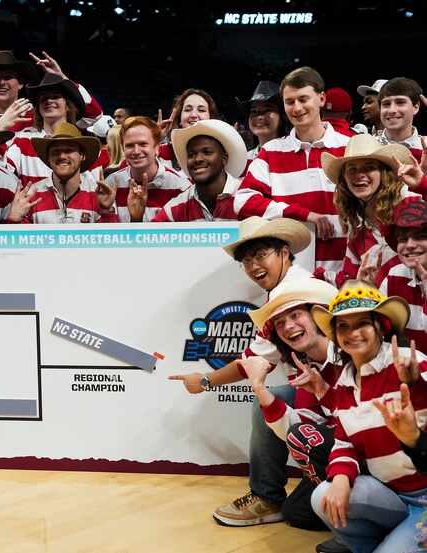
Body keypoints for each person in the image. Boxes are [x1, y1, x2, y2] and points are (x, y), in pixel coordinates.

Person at [170, 217, 314, 527]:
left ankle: (269, 496)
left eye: (261, 254)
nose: (253, 265)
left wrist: (205, 380)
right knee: (272, 402)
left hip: (338, 404)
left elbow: (252, 360)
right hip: (324, 395)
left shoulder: (291, 293)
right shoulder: (289, 285)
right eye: (246, 260)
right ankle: (276, 496)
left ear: (285, 252)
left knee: (306, 511)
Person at [310, 280, 427, 553]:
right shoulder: (344, 382)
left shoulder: (410, 362)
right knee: (322, 497)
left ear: (380, 326)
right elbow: (344, 443)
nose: (352, 333)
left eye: (362, 323)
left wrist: (416, 384)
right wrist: (340, 478)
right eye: (343, 326)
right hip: (392, 496)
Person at [239, 278, 348, 553]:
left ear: (318, 315)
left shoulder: (352, 349)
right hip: (343, 454)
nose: (288, 326)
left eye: (296, 314)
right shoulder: (306, 367)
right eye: (279, 323)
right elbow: (298, 433)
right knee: (297, 512)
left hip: (379, 456)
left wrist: (324, 392)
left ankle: (359, 531)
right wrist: (259, 387)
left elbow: (363, 423)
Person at [234, 66, 351, 282]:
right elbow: (243, 202)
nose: (296, 108)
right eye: (290, 102)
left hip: (347, 276)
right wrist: (303, 215)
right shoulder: (271, 151)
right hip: (292, 279)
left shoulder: (350, 147)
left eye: (303, 99)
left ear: (322, 99)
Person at [321, 133, 419, 287]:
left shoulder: (410, 203)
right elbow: (351, 279)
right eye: (352, 169)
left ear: (384, 174)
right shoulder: (357, 230)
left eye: (369, 167)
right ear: (344, 180)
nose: (360, 175)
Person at [5, 74, 107, 187]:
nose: (48, 100)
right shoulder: (22, 142)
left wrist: (64, 78)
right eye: (43, 98)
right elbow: (3, 176)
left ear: (68, 105)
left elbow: (94, 190)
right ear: (38, 107)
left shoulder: (83, 144)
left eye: (55, 96)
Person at [6, 122, 114, 224]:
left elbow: (114, 240)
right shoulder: (31, 195)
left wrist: (106, 212)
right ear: (48, 158)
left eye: (68, 150)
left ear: (82, 156)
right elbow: (19, 241)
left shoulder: (98, 194)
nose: (62, 156)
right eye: (56, 151)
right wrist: (14, 221)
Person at [152, 119, 247, 222]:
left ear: (224, 158)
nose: (198, 159)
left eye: (207, 152)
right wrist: (136, 219)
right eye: (191, 155)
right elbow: (151, 236)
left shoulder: (247, 196)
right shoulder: (177, 206)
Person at [378, 200, 427, 353]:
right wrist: (365, 287)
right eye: (403, 239)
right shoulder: (394, 275)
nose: (410, 245)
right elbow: (375, 332)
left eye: (419, 236)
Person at [158, 88, 220, 169]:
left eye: (201, 110)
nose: (194, 115)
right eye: (188, 110)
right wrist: (156, 139)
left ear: (211, 118)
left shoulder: (222, 152)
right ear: (180, 119)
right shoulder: (164, 152)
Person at [377, 77, 425, 161]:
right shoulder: (366, 146)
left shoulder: (425, 147)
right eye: (386, 104)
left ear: (416, 107)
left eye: (400, 102)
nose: (392, 110)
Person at [237, 81, 285, 161]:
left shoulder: (294, 154)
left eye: (267, 110)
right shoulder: (244, 160)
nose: (259, 116)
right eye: (254, 111)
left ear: (281, 117)